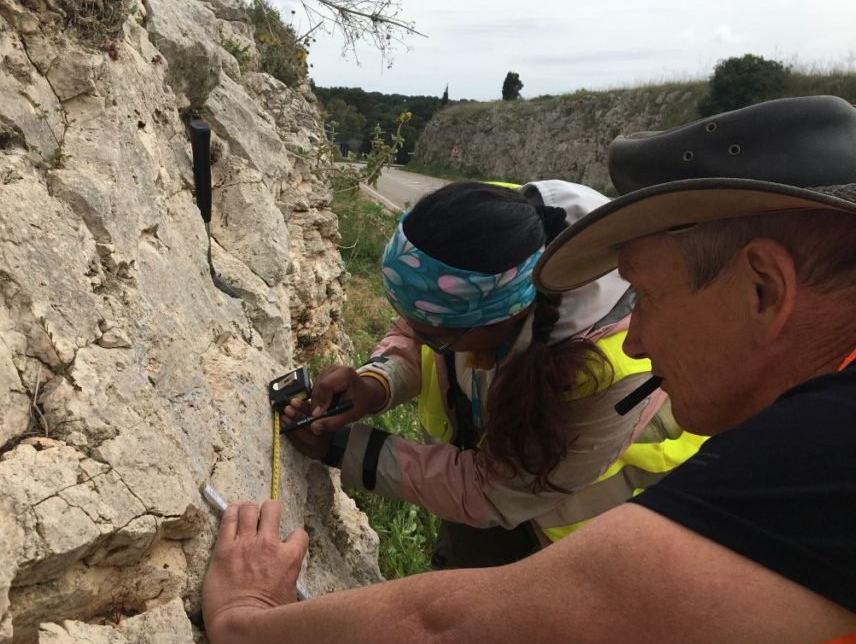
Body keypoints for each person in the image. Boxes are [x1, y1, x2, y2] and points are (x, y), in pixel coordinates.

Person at [201, 95, 856, 644]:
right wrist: (378, 382)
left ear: (764, 288)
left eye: (649, 299)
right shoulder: (507, 237)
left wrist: (243, 623)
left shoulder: (825, 446)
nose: (638, 342)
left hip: (572, 531)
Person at [284, 179, 702, 568]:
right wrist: (376, 383)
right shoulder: (484, 230)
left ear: (506, 318)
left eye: (435, 337)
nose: (419, 338)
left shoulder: (611, 371)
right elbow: (420, 327)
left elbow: (493, 491)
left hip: (573, 538)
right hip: (487, 492)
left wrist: (342, 448)